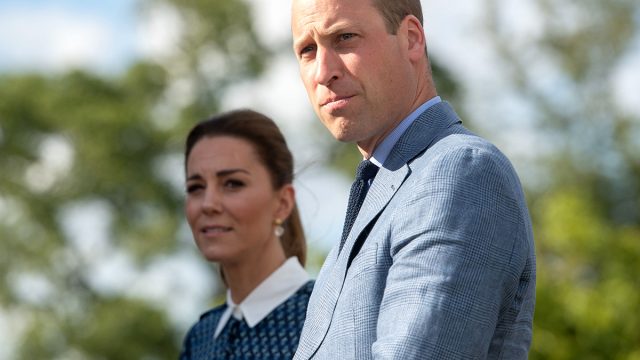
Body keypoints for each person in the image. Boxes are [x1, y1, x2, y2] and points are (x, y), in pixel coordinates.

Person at [290, 0, 536, 358]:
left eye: (344, 37)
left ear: (411, 39)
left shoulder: (459, 173)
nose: (322, 71)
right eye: (307, 50)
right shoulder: (380, 190)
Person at [179, 109, 314, 359]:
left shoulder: (325, 317)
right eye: (195, 187)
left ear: (283, 202)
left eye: (232, 183)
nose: (208, 204)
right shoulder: (200, 338)